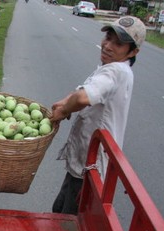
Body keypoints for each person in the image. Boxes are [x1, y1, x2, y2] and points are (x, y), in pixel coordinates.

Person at [50, 16, 146, 215]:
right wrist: (66, 100)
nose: (108, 46)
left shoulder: (115, 71)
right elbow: (85, 89)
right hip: (83, 159)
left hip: (91, 165)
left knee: (69, 219)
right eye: (108, 38)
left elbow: (84, 97)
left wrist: (65, 109)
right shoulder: (113, 68)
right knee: (59, 209)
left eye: (118, 43)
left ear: (133, 52)